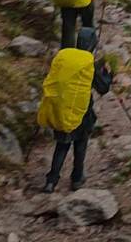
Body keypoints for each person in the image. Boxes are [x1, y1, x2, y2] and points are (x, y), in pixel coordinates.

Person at [38, 27, 112, 193]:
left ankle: (51, 181)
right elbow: (103, 88)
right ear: (92, 44)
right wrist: (108, 74)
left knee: (62, 145)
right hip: (81, 111)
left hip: (61, 108)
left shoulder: (64, 56)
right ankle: (77, 178)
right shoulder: (90, 64)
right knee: (80, 144)